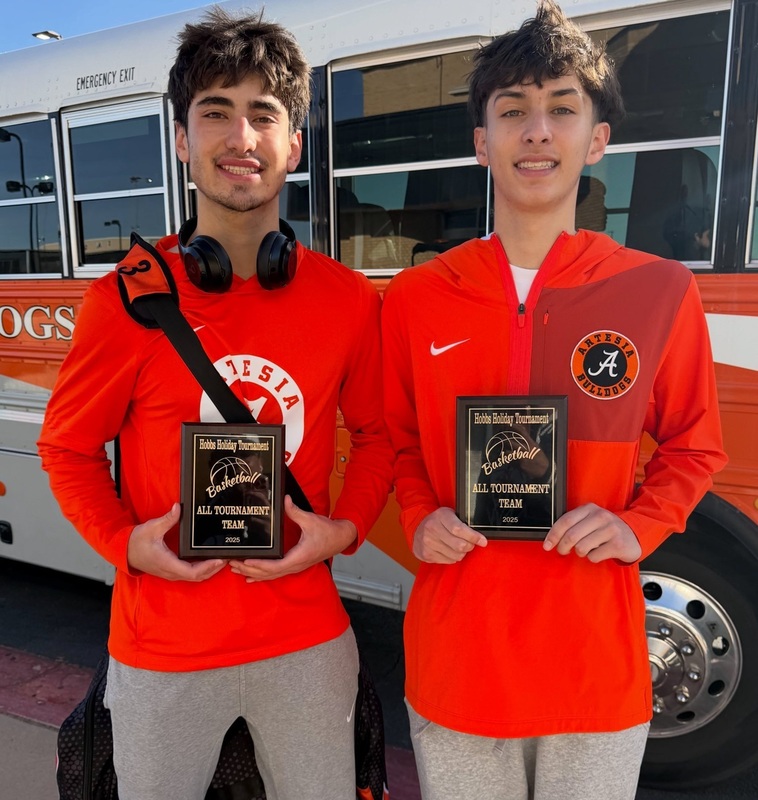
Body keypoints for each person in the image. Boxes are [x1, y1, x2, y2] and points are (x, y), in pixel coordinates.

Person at [38, 8, 393, 800]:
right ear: (181, 139)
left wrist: (341, 530)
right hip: (161, 648)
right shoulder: (125, 300)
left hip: (307, 640)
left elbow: (379, 438)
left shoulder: (346, 301)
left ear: (293, 144)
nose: (241, 138)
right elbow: (67, 449)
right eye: (216, 113)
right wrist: (127, 545)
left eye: (264, 115)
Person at [381, 2, 727, 798]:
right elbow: (394, 439)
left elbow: (694, 445)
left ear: (596, 138)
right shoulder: (415, 297)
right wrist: (418, 512)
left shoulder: (659, 290)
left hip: (594, 674)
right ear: (482, 143)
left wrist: (637, 525)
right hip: (458, 666)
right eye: (512, 111)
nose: (537, 131)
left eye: (562, 109)